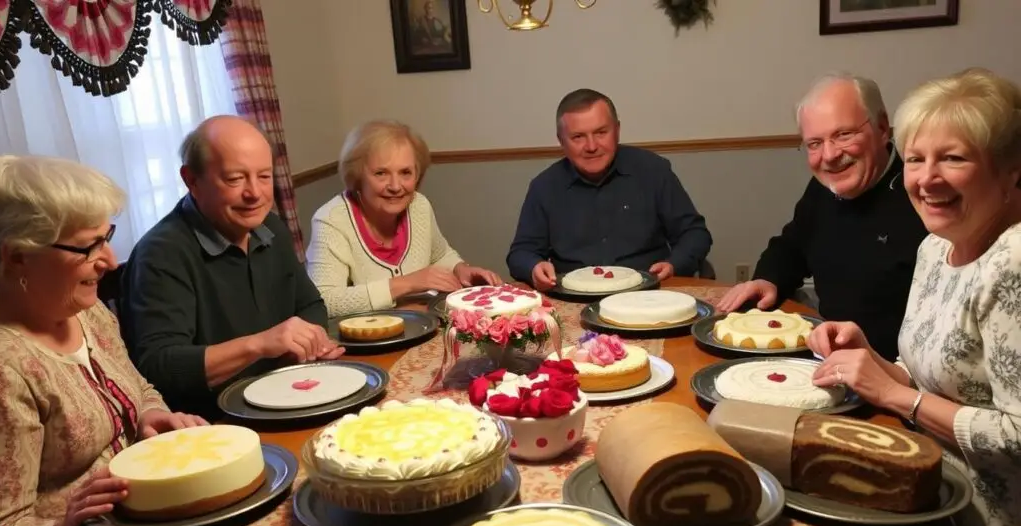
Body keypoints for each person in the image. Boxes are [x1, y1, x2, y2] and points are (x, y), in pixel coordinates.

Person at [808, 68, 1021, 526]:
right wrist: (874, 361)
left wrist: (896, 398)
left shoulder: (1012, 262)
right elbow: (930, 375)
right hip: (929, 489)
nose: (927, 179)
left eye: (953, 157)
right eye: (917, 158)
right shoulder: (936, 247)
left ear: (1011, 169)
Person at [0, 155, 208, 526]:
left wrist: (150, 413)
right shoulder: (7, 368)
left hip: (142, 523)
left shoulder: (86, 310)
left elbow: (140, 386)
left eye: (106, 236)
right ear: (17, 255)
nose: (109, 260)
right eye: (87, 246)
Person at [118, 116, 343, 419]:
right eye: (235, 179)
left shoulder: (272, 228)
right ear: (192, 181)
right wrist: (261, 345)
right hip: (216, 424)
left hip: (287, 395)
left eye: (264, 177)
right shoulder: (160, 254)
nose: (254, 193)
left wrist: (307, 342)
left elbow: (311, 305)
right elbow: (159, 366)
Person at [718, 73, 928, 360]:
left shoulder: (923, 193)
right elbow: (792, 245)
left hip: (896, 373)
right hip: (826, 356)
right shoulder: (824, 187)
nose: (828, 155)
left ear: (882, 128)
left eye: (843, 135)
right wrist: (768, 279)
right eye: (814, 143)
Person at [505, 88, 712, 290]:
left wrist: (674, 264)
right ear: (561, 141)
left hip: (648, 292)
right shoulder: (544, 186)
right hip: (574, 298)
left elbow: (694, 233)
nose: (592, 146)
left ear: (617, 130)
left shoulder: (653, 170)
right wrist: (533, 267)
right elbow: (521, 253)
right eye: (578, 137)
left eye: (601, 132)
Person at [306, 120, 501, 318]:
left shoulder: (419, 205)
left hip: (423, 328)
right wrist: (407, 283)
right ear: (357, 176)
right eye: (381, 173)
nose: (395, 186)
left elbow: (439, 255)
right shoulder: (330, 221)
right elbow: (324, 302)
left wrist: (460, 269)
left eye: (405, 173)